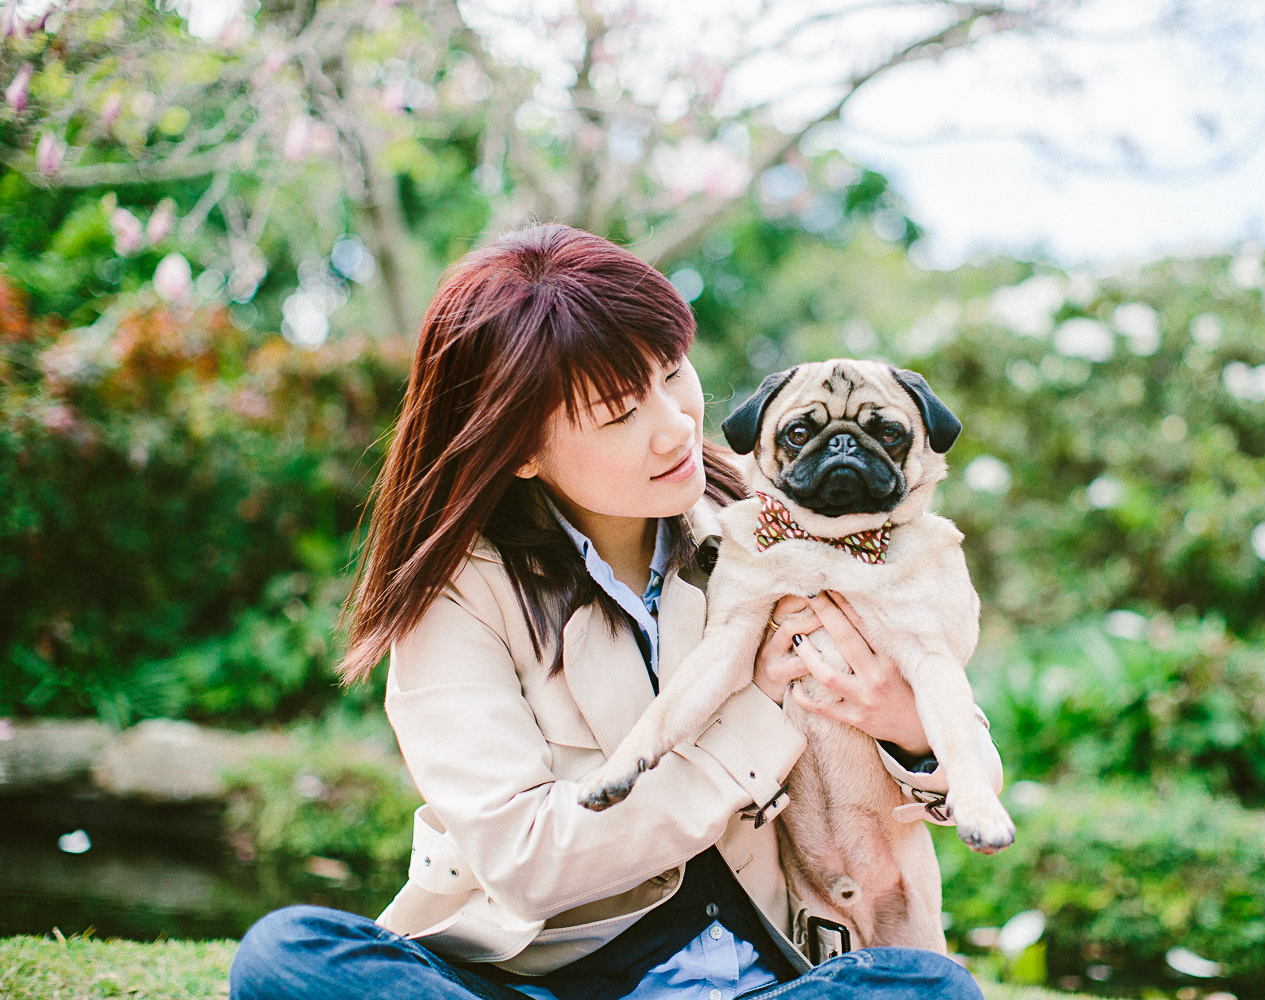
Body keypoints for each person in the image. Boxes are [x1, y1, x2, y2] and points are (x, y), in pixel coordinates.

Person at [229, 224, 994, 1000]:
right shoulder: (460, 597)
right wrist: (754, 716)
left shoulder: (769, 516)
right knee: (285, 954)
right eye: (619, 412)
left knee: (926, 990)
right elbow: (528, 864)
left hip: (772, 980)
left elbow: (946, 732)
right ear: (521, 448)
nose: (676, 426)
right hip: (539, 982)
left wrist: (913, 733)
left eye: (672, 373)